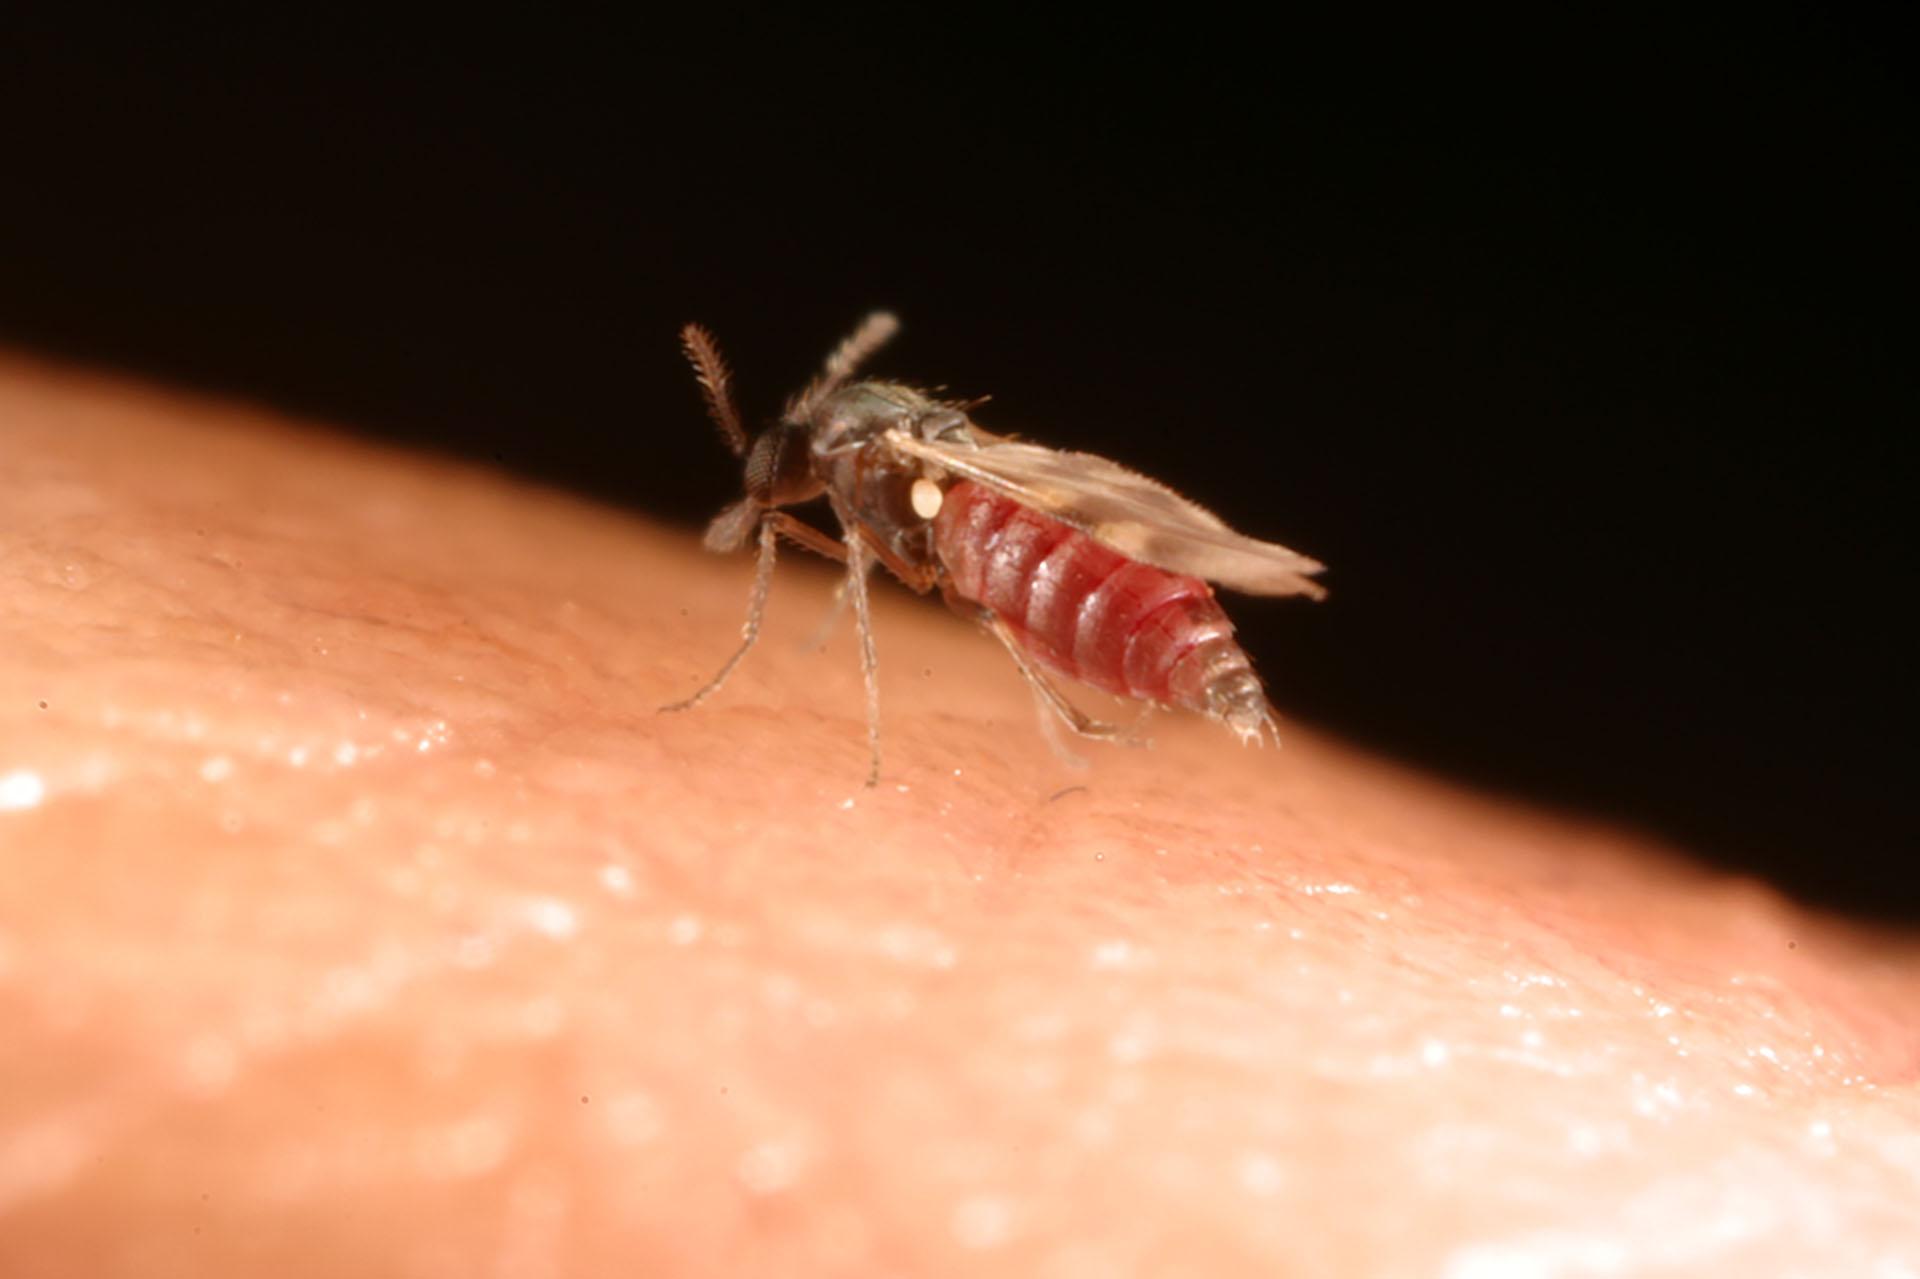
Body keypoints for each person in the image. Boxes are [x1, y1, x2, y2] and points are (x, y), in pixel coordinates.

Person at [3, 353, 1917, 1275]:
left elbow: (990, 551)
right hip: (1079, 598)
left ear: (827, 452)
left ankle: (1116, 699)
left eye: (785, 471)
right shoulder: (883, 487)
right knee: (992, 583)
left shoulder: (894, 484)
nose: (792, 500)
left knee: (998, 580)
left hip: (1098, 599)